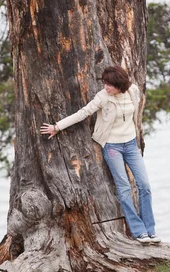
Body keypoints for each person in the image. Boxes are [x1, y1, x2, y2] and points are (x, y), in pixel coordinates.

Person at [40, 65, 161, 244]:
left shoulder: (132, 91)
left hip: (131, 144)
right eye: (104, 83)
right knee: (124, 187)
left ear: (119, 84)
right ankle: (138, 231)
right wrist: (57, 127)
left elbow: (136, 113)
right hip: (112, 146)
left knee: (144, 185)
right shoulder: (102, 97)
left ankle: (150, 230)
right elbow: (83, 113)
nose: (106, 87)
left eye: (109, 84)